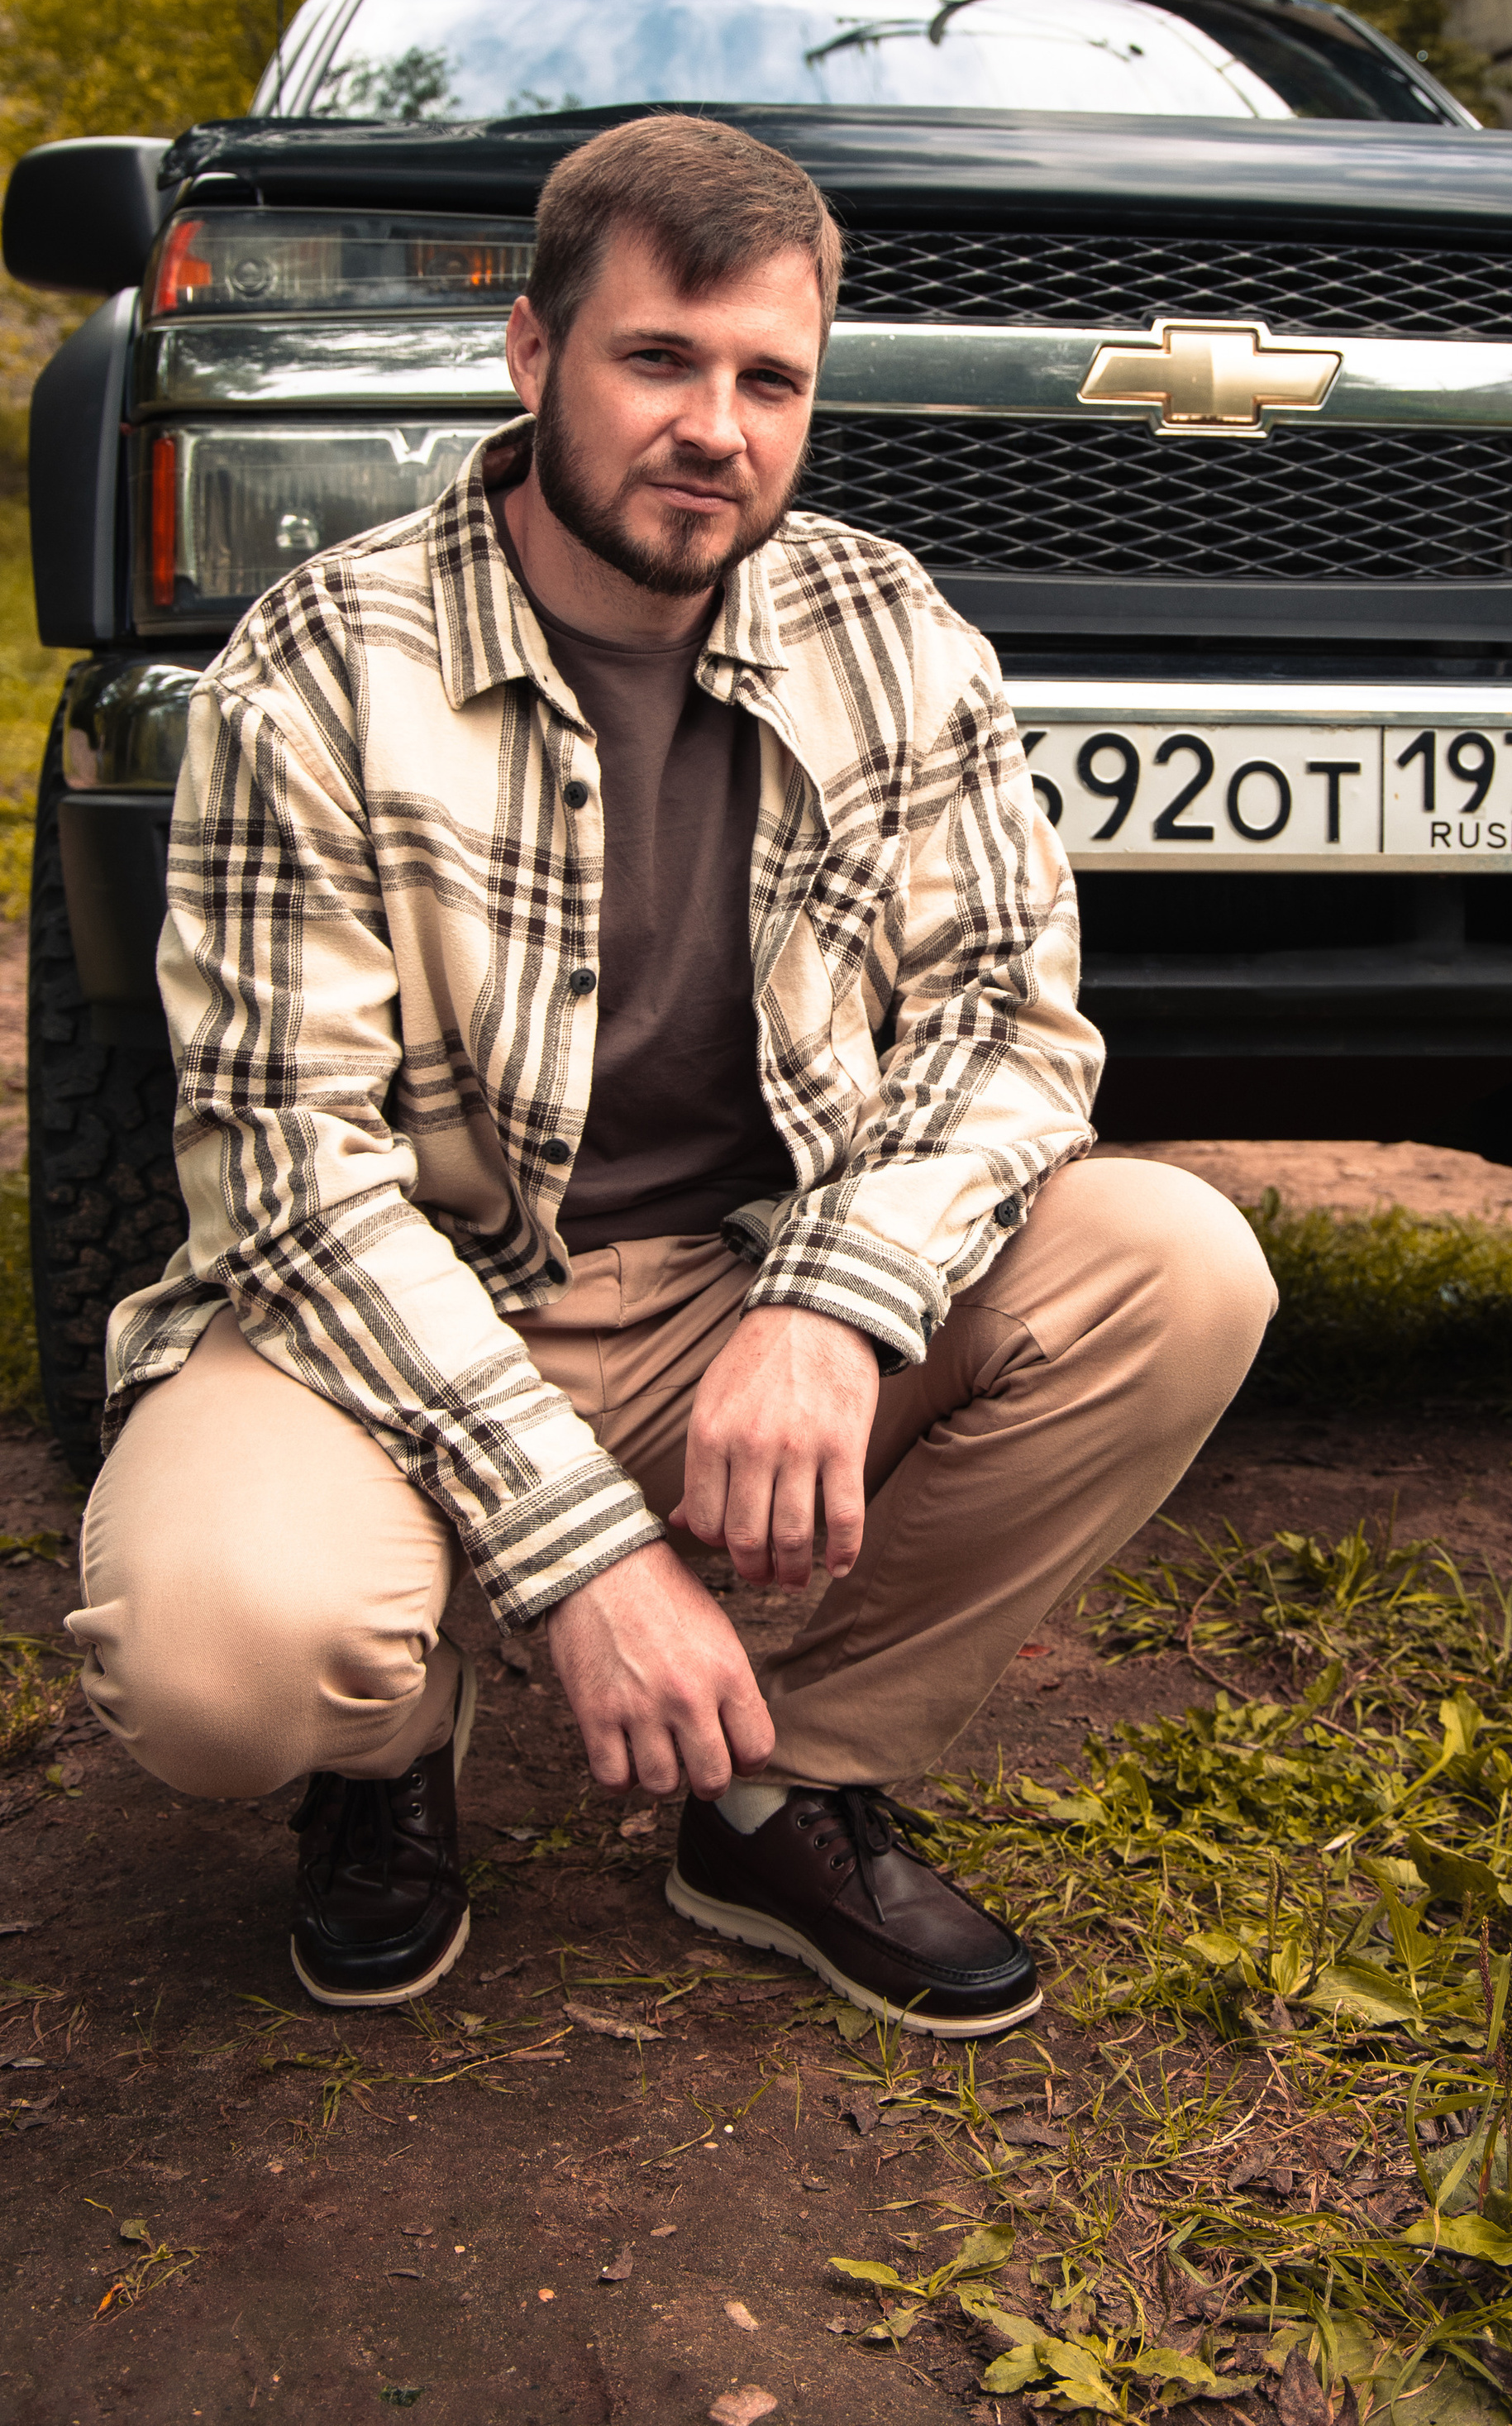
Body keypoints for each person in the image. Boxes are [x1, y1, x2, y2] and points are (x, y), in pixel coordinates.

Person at [65, 112, 1273, 2036]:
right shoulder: (326, 658)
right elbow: (294, 1180)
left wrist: (830, 1305)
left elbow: (1005, 1020)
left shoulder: (888, 630)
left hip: (730, 1292)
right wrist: (587, 1560)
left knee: (1176, 1268)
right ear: (534, 353)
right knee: (221, 1659)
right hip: (391, 1309)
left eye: (767, 379)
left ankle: (779, 1787)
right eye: (657, 360)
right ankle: (388, 1746)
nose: (715, 429)